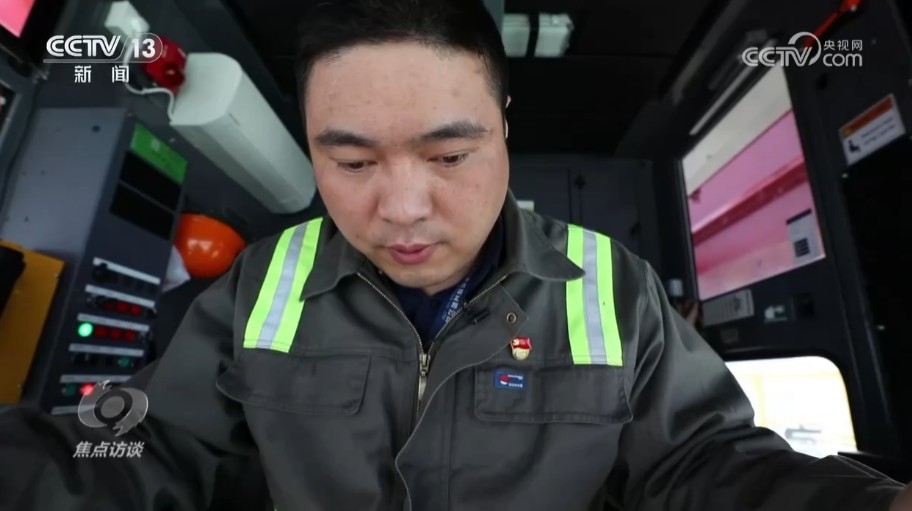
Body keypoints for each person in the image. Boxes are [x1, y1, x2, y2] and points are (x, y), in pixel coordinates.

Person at [0, 0, 909, 510]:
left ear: (504, 130)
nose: (401, 208)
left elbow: (706, 465)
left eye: (448, 156)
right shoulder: (262, 282)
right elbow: (145, 451)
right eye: (351, 162)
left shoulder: (615, 286)